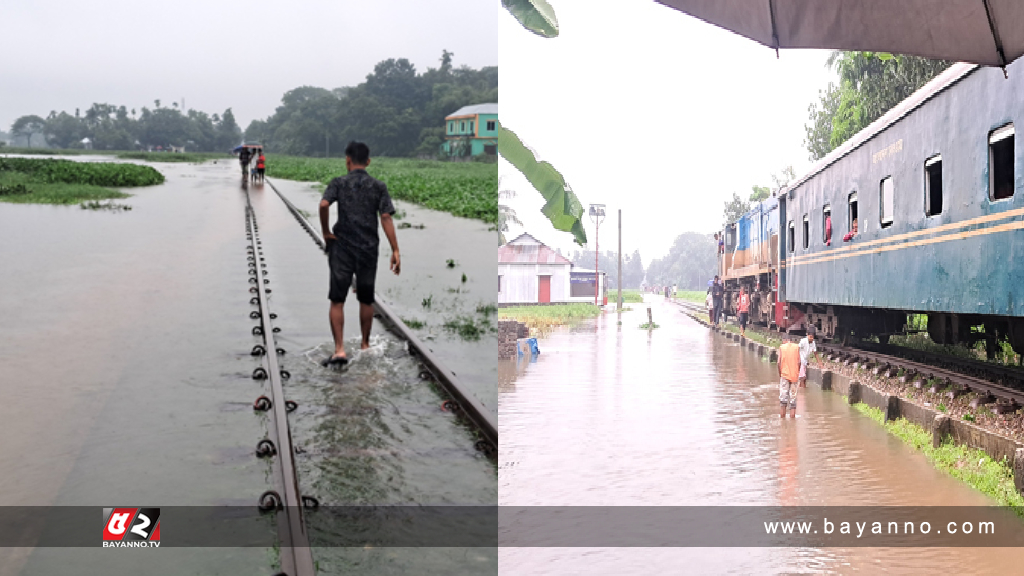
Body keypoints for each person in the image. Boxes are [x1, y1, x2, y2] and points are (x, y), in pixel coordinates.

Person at [319, 141, 401, 366]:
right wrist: (395, 249)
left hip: (342, 248)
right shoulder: (378, 186)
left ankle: (340, 350)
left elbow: (324, 205)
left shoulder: (338, 183)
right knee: (366, 299)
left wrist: (326, 232)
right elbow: (386, 217)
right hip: (368, 249)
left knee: (337, 300)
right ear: (368, 161)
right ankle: (365, 345)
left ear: (347, 160)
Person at [778, 337, 801, 418]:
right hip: (794, 376)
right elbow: (799, 362)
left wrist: (780, 374)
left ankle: (782, 420)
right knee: (793, 401)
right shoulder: (797, 347)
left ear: (784, 340)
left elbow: (778, 362)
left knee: (783, 401)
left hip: (784, 375)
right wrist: (797, 372)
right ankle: (792, 422)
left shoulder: (782, 347)